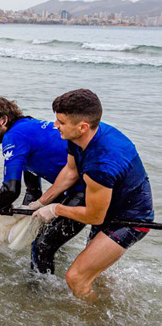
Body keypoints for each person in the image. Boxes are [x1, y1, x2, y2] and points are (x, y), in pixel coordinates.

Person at [31, 89, 154, 297]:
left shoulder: (100, 165)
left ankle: (92, 317)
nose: (55, 125)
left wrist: (56, 209)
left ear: (83, 126)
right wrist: (41, 202)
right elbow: (70, 172)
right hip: (108, 207)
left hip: (131, 219)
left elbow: (95, 216)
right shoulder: (78, 136)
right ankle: (105, 301)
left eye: (60, 122)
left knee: (76, 277)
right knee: (94, 273)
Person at [0, 97, 85, 274]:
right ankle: (60, 271)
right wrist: (12, 211)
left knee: (41, 247)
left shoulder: (13, 137)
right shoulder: (27, 127)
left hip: (86, 189)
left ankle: (40, 294)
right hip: (74, 186)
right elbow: (33, 190)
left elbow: (10, 190)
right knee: (49, 235)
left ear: (3, 120)